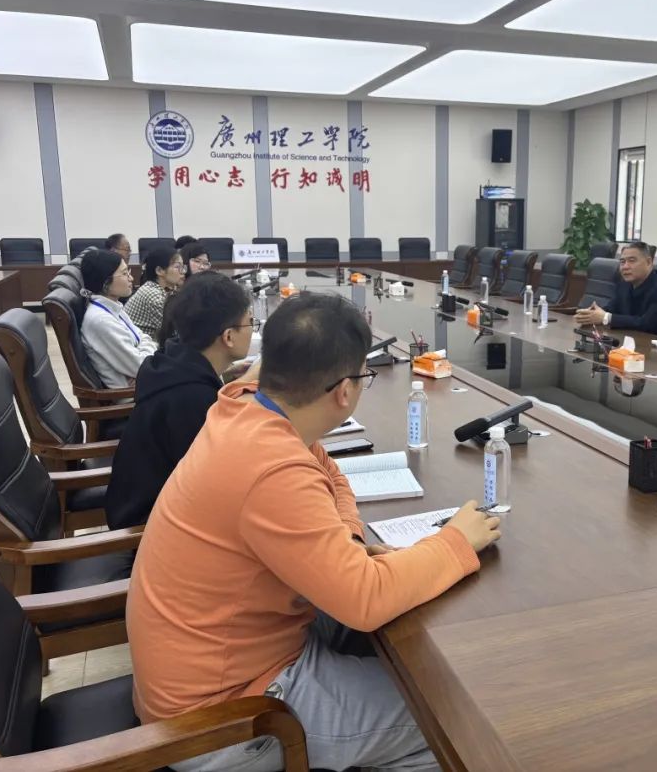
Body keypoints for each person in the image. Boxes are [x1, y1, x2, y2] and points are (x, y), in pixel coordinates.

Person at [127, 292, 500, 772]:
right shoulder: (271, 466)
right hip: (226, 717)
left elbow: (330, 475)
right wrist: (456, 542)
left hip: (216, 664)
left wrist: (349, 544)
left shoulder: (248, 406)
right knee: (458, 722)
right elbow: (365, 600)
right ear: (344, 391)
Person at [105, 272, 255, 530]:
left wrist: (226, 375)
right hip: (153, 528)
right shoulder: (192, 399)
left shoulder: (171, 361)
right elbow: (218, 481)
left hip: (143, 505)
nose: (253, 329)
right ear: (228, 337)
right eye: (251, 322)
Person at [80, 249, 157, 388]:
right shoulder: (101, 320)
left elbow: (143, 337)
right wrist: (146, 348)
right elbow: (140, 366)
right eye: (124, 273)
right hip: (134, 394)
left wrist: (143, 347)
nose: (131, 278)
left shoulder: (112, 306)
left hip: (144, 383)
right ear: (105, 282)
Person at [574, 241, 657, 336]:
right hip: (633, 341)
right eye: (622, 262)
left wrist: (605, 317)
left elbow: (646, 323)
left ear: (649, 262)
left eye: (632, 261)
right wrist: (592, 314)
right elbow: (612, 308)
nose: (625, 267)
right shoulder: (625, 284)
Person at [126, 246, 186, 342]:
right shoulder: (154, 296)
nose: (183, 272)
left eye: (183, 267)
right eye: (177, 267)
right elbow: (177, 331)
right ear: (159, 271)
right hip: (141, 347)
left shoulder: (165, 289)